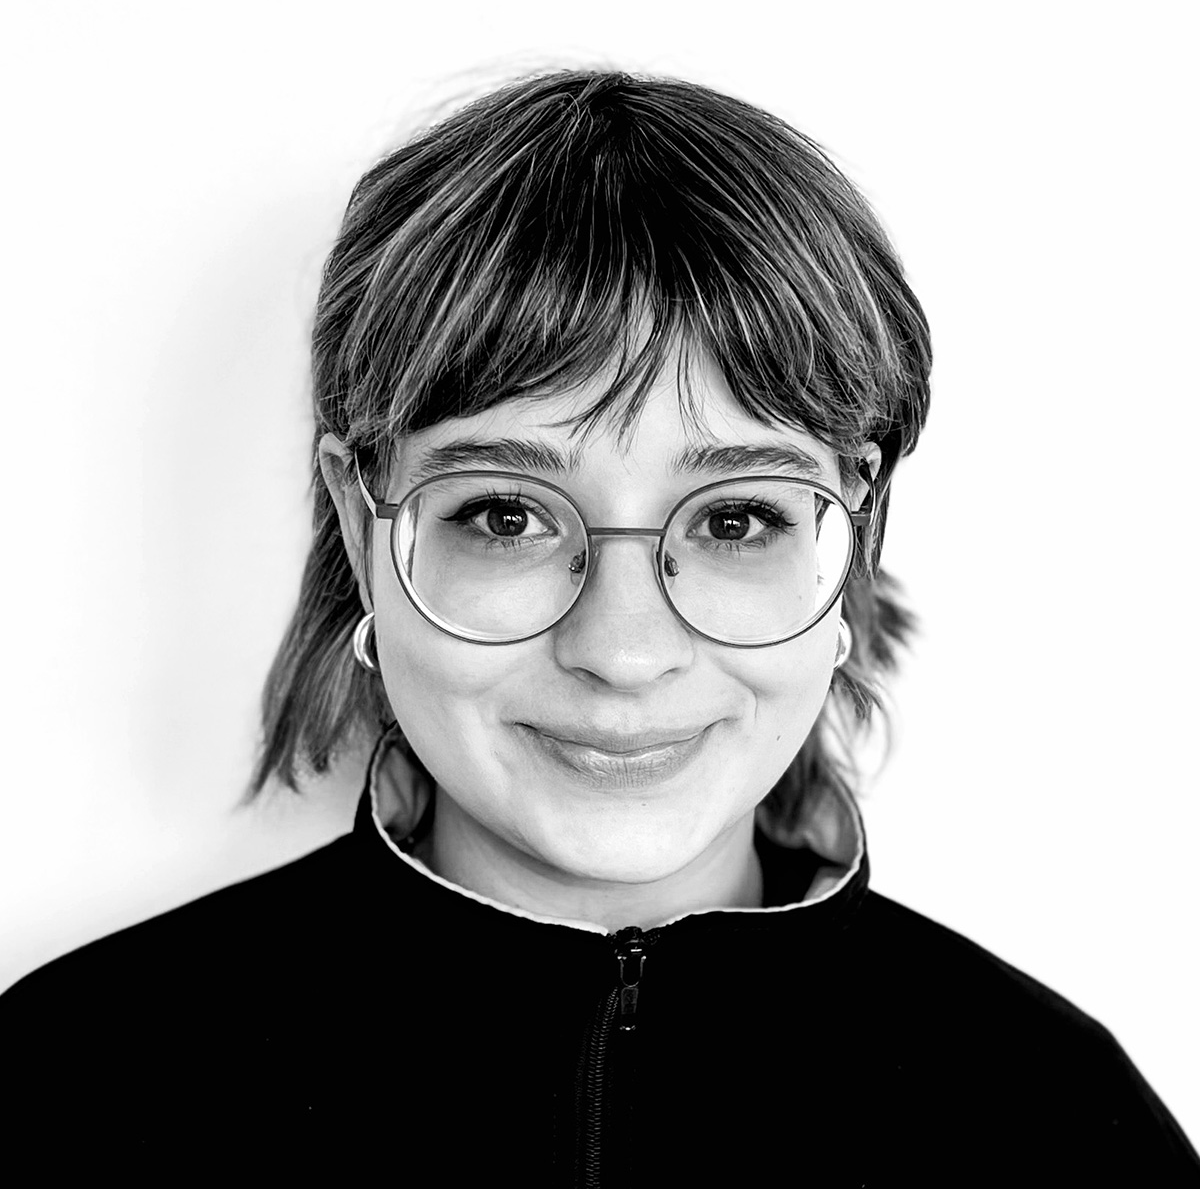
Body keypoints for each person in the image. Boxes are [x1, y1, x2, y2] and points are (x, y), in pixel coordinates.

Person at [3, 67, 1197, 1185]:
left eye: (735, 520)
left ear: (856, 540)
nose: (623, 653)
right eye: (507, 516)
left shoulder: (1064, 1132)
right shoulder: (67, 1090)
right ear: (364, 530)